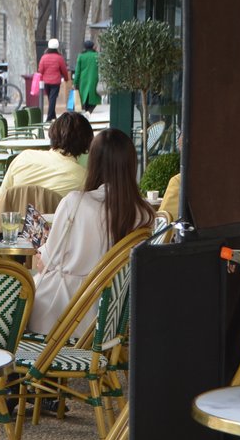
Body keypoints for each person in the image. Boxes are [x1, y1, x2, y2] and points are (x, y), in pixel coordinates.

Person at [28, 128, 155, 337]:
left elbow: (47, 263)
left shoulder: (75, 203)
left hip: (59, 319)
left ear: (94, 162)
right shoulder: (143, 213)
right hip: (107, 324)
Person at [0, 112, 93, 199]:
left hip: (16, 218)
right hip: (55, 219)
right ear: (86, 142)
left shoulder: (23, 157)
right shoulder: (83, 179)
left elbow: (1, 199)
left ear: (52, 133)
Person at [37, 38, 70, 122]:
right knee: (52, 98)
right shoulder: (59, 58)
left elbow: (40, 70)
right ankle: (49, 117)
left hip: (46, 82)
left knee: (50, 98)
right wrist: (66, 78)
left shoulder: (44, 57)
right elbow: (64, 69)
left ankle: (52, 115)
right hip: (55, 81)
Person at [73, 39, 101, 114]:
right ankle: (89, 111)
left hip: (83, 80)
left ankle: (87, 112)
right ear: (92, 47)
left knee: (85, 97)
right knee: (94, 97)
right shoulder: (97, 56)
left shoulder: (81, 56)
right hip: (94, 79)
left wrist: (75, 82)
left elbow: (77, 71)